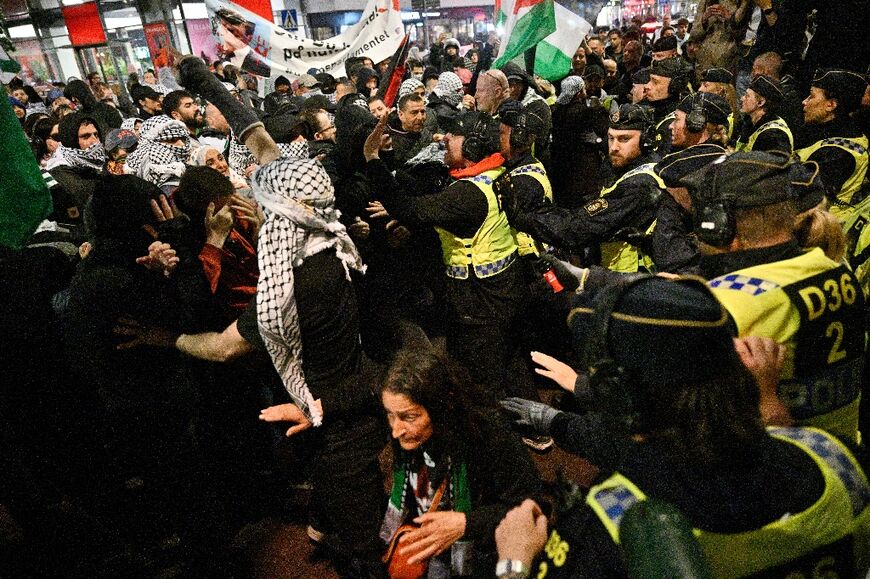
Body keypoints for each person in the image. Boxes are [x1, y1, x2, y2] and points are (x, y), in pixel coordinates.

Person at [497, 274, 870, 578]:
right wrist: (770, 404)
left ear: (620, 398)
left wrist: (513, 565)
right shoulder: (838, 458)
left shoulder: (610, 523)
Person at [685, 153, 866, 445]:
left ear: (719, 225)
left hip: (779, 473)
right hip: (842, 460)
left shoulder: (725, 305)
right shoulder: (835, 271)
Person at [380, 348, 541, 576]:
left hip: (480, 558)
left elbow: (529, 507)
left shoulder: (490, 437)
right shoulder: (408, 434)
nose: (395, 431)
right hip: (435, 552)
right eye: (390, 414)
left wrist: (466, 524)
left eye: (409, 417)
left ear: (440, 408)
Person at [503, 103, 667, 274]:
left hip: (631, 278)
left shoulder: (640, 185)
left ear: (646, 141)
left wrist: (521, 217)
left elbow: (576, 229)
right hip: (618, 272)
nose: (614, 147)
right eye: (611, 138)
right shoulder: (623, 167)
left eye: (624, 139)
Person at [795, 69, 868, 223]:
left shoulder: (838, 152)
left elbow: (805, 200)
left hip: (819, 231)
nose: (804, 101)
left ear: (831, 105)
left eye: (812, 96)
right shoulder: (822, 129)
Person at [45, 112, 106, 226]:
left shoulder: (99, 160)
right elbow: (89, 196)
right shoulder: (59, 169)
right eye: (85, 136)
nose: (94, 141)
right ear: (70, 139)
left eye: (96, 135)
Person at [642, 57, 692, 154]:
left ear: (674, 87)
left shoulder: (673, 124)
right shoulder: (650, 108)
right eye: (649, 80)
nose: (647, 86)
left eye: (655, 82)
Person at [735, 75, 793, 154]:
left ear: (760, 102)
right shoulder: (749, 122)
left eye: (747, 96)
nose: (742, 98)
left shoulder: (774, 135)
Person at [387, 93, 436, 166]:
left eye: (422, 112)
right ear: (401, 115)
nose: (420, 117)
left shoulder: (424, 131)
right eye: (414, 112)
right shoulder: (388, 138)